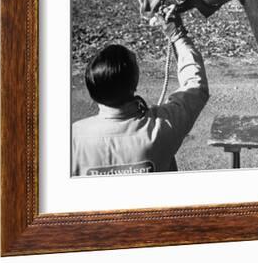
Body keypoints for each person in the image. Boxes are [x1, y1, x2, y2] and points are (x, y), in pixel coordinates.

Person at [72, 15, 209, 176]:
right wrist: (177, 35)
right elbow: (195, 85)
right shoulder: (163, 126)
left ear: (92, 89)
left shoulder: (74, 137)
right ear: (134, 82)